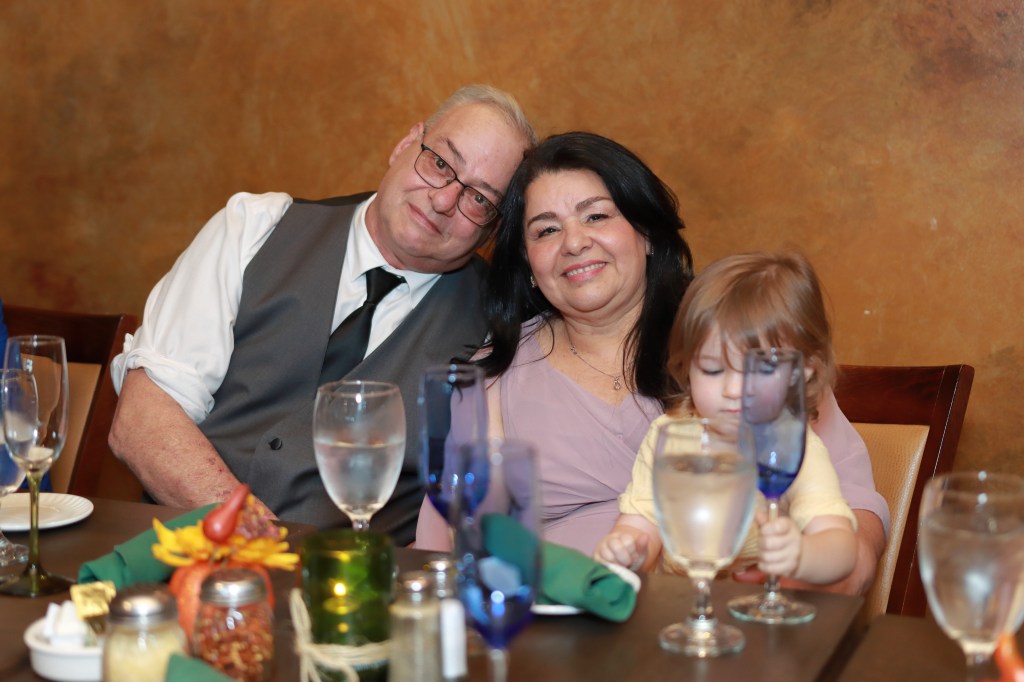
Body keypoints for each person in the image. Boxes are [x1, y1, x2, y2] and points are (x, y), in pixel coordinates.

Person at [108, 85, 537, 545]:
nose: (444, 200)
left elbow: (479, 510)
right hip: (181, 556)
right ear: (405, 145)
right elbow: (142, 421)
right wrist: (262, 544)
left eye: (479, 199)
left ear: (494, 229)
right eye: (440, 163)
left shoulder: (499, 330)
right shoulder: (255, 228)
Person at [415, 131, 695, 554]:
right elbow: (457, 543)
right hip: (547, 596)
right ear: (528, 264)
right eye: (546, 230)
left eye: (596, 216)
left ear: (647, 232)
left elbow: (796, 500)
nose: (574, 243)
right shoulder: (494, 378)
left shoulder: (721, 340)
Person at [596, 252, 858, 587]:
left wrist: (803, 555)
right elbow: (640, 525)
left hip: (751, 611)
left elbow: (840, 547)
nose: (734, 390)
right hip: (676, 606)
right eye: (712, 369)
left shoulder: (792, 450)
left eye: (759, 370)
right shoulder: (669, 435)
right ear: (686, 367)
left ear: (801, 372)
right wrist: (627, 551)